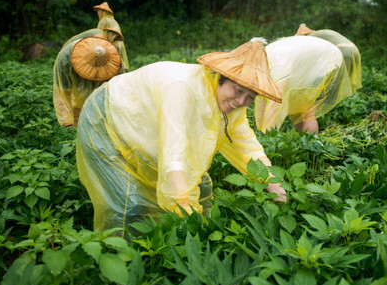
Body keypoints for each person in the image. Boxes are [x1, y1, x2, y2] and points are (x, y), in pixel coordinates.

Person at [75, 38, 287, 236]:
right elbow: (173, 153)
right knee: (129, 206)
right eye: (238, 90)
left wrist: (274, 185)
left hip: (143, 129)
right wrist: (183, 205)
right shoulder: (182, 88)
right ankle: (124, 261)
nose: (241, 101)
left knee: (196, 188)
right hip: (106, 119)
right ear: (221, 77)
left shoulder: (233, 107)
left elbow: (246, 146)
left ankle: (173, 245)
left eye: (250, 97)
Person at [254, 35, 354, 134]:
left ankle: (309, 144)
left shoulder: (276, 65)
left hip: (324, 61)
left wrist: (266, 133)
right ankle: (305, 142)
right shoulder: (265, 58)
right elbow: (264, 98)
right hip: (319, 58)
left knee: (305, 111)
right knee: (299, 108)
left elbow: (275, 100)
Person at [53, 28, 124, 127]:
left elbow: (116, 93)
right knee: (76, 116)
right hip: (71, 60)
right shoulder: (65, 58)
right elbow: (62, 94)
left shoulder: (116, 62)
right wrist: (67, 123)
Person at [295, 23, 362, 94]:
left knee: (334, 82)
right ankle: (348, 98)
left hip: (342, 50)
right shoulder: (322, 34)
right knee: (346, 78)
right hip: (354, 50)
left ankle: (330, 100)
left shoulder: (309, 39)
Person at [93, 2, 129, 72]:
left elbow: (99, 35)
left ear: (103, 12)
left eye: (99, 11)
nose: (98, 13)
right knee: (121, 66)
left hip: (112, 46)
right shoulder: (114, 21)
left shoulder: (103, 21)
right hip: (120, 45)